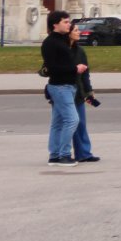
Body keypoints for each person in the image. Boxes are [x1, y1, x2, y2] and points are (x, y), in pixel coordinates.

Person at [41, 12, 82, 164]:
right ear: (55, 25)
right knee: (72, 120)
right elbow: (52, 68)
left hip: (67, 86)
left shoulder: (62, 40)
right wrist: (75, 69)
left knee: (58, 122)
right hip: (60, 86)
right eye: (65, 22)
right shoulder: (50, 43)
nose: (68, 24)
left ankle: (54, 155)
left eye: (68, 21)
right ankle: (64, 154)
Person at [67, 15, 100, 163]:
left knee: (81, 123)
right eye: (75, 30)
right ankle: (63, 152)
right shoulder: (63, 50)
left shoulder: (80, 51)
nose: (78, 32)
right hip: (66, 90)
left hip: (78, 91)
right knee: (70, 123)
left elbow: (86, 73)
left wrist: (89, 92)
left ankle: (84, 153)